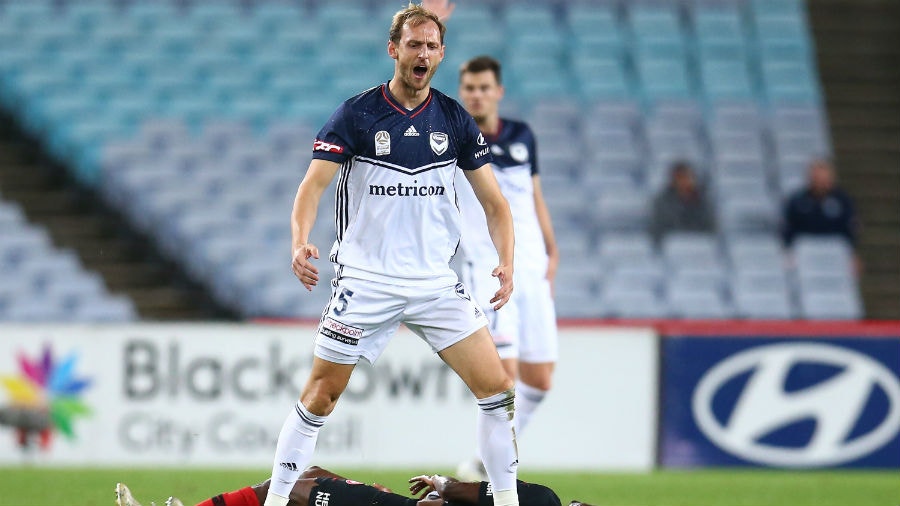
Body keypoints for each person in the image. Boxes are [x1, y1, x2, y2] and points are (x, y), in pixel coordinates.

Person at [268, 5, 519, 506]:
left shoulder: (454, 119)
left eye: (430, 46)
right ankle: (276, 502)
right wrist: (299, 240)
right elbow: (311, 187)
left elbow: (496, 205)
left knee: (499, 393)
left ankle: (507, 503)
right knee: (321, 395)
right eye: (413, 45)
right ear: (394, 49)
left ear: (441, 54)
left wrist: (505, 260)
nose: (421, 54)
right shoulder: (357, 114)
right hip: (366, 280)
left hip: (433, 284)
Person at [453, 56, 559, 476]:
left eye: (483, 87)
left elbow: (535, 198)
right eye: (469, 88)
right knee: (504, 382)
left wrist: (553, 250)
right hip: (491, 271)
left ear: (498, 91)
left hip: (532, 269)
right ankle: (499, 477)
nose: (476, 95)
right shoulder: (456, 137)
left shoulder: (522, 136)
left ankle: (483, 463)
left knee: (540, 380)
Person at [114, 467, 594, 506]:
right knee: (305, 475)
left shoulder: (545, 501)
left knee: (297, 490)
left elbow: (474, 494)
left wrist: (442, 485)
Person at [782, 158, 858, 249]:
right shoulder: (797, 201)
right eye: (817, 178)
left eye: (824, 179)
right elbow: (789, 230)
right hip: (805, 249)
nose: (820, 183)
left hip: (834, 248)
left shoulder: (842, 201)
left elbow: (850, 229)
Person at [650, 161, 716, 243]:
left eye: (687, 177)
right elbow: (658, 228)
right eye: (679, 177)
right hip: (672, 245)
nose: (683, 181)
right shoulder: (661, 202)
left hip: (699, 244)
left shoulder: (704, 202)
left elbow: (711, 228)